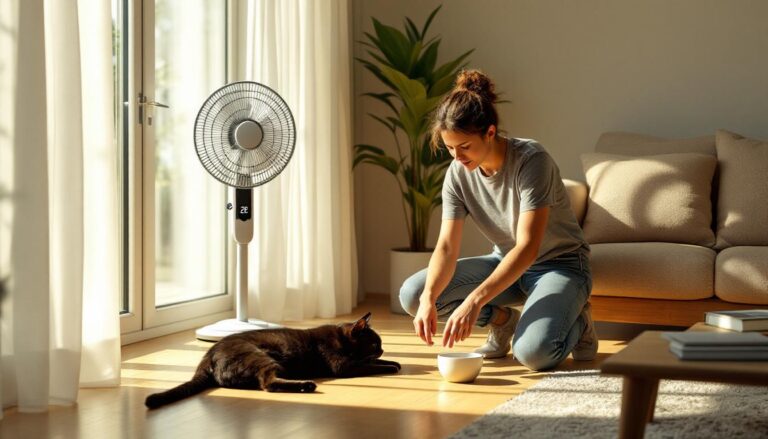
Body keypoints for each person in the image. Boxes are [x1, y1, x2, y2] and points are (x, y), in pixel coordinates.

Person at [399, 69, 597, 371]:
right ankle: (503, 322)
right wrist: (429, 298)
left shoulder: (532, 161)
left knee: (533, 354)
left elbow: (528, 247)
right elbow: (446, 248)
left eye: (464, 146)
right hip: (505, 263)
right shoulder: (457, 173)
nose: (457, 157)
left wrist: (474, 301)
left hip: (560, 264)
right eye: (450, 148)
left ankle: (580, 322)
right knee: (413, 295)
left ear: (490, 132)